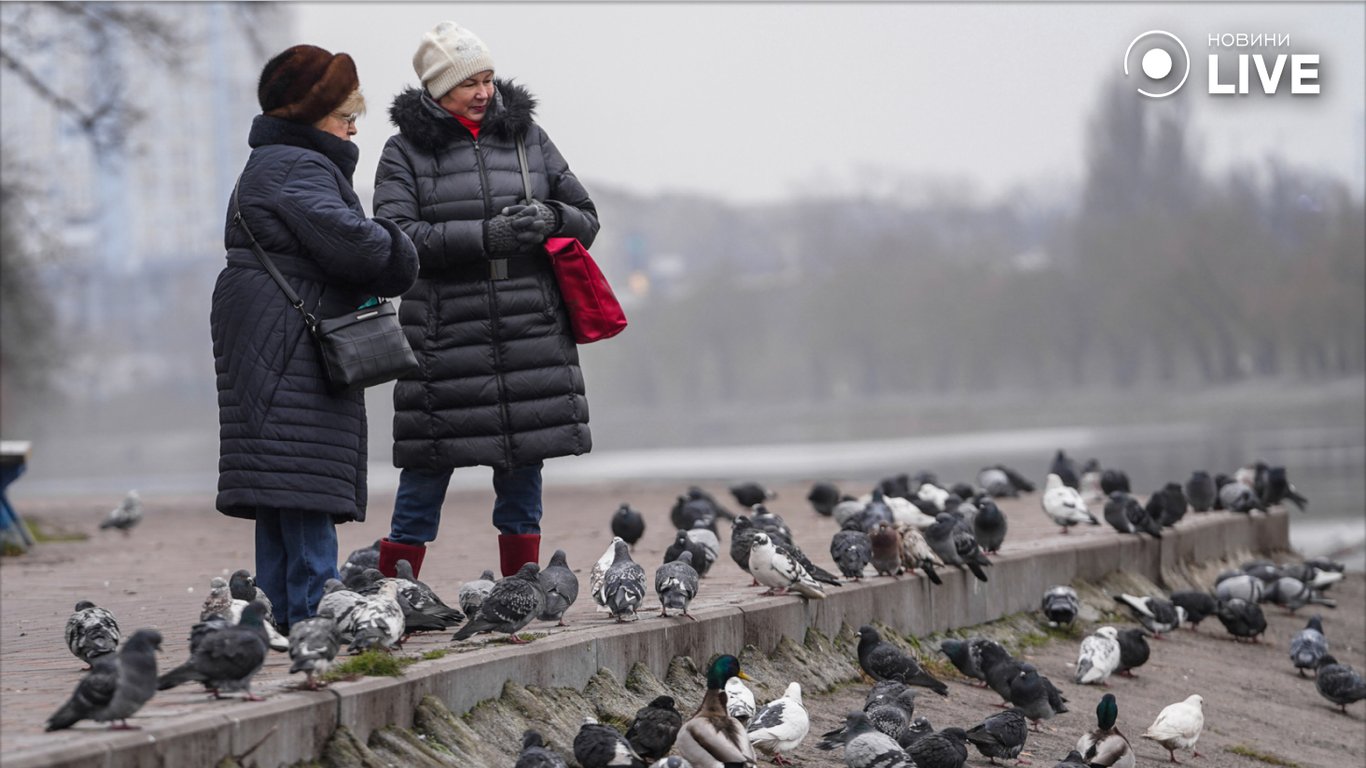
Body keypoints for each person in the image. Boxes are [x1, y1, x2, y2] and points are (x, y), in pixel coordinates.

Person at [373, 21, 599, 579]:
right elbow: (395, 239)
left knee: (524, 463)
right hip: (443, 328)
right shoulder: (401, 152)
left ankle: (521, 587)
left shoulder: (530, 137)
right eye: (468, 82)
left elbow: (586, 217)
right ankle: (396, 592)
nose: (483, 92)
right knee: (427, 464)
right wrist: (484, 237)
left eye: (488, 79)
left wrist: (551, 217)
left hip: (529, 322)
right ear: (435, 89)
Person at [210, 44, 419, 630]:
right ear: (310, 117)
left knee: (282, 487)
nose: (354, 127)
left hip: (269, 329)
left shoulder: (275, 163)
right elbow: (358, 245)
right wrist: (398, 241)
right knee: (303, 486)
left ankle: (274, 625)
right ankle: (312, 624)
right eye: (344, 115)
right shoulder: (298, 167)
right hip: (287, 339)